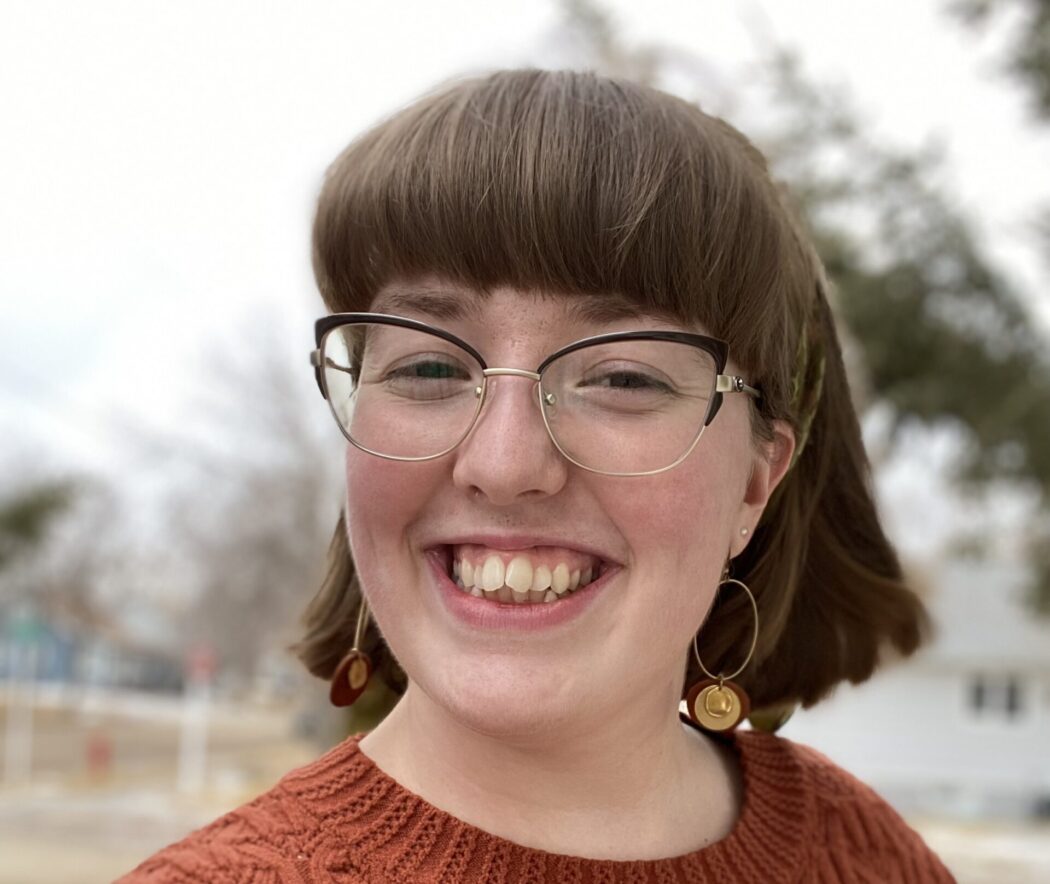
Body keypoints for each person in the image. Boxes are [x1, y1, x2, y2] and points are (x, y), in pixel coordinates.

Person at [120, 69, 954, 882]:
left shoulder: (867, 858)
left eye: (624, 378)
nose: (504, 464)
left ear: (754, 483)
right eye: (429, 369)